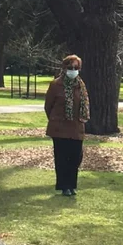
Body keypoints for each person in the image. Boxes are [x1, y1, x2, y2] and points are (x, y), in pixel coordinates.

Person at [44, 54, 90, 196]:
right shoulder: (56, 85)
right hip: (60, 128)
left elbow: (84, 106)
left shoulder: (81, 86)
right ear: (64, 68)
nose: (73, 70)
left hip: (76, 127)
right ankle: (64, 186)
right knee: (62, 157)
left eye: (76, 67)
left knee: (76, 157)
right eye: (70, 67)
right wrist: (55, 119)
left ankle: (72, 184)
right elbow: (48, 106)